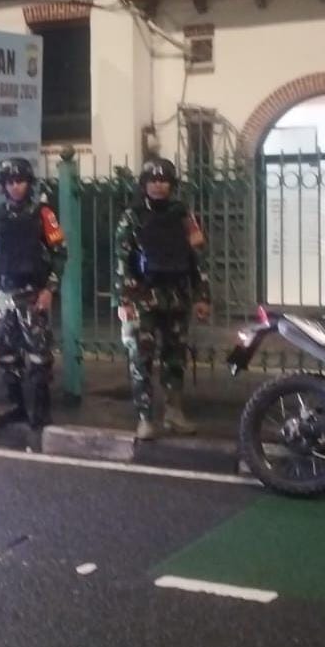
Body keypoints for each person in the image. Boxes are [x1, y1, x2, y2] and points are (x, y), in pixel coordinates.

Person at [114, 157, 210, 441]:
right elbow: (121, 262)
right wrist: (124, 301)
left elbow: (198, 259)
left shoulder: (184, 216)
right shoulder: (131, 217)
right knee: (140, 358)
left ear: (172, 184)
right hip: (141, 298)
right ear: (144, 185)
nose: (158, 185)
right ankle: (145, 418)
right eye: (152, 181)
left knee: (175, 358)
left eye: (164, 180)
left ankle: (174, 412)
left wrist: (202, 296)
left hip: (176, 297)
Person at [0, 157, 66, 430]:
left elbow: (60, 253)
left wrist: (49, 289)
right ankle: (17, 407)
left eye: (21, 181)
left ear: (30, 183)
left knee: (39, 354)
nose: (16, 186)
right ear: (4, 185)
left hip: (32, 295)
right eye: (10, 182)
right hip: (5, 295)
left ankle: (41, 411)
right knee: (7, 354)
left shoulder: (45, 215)